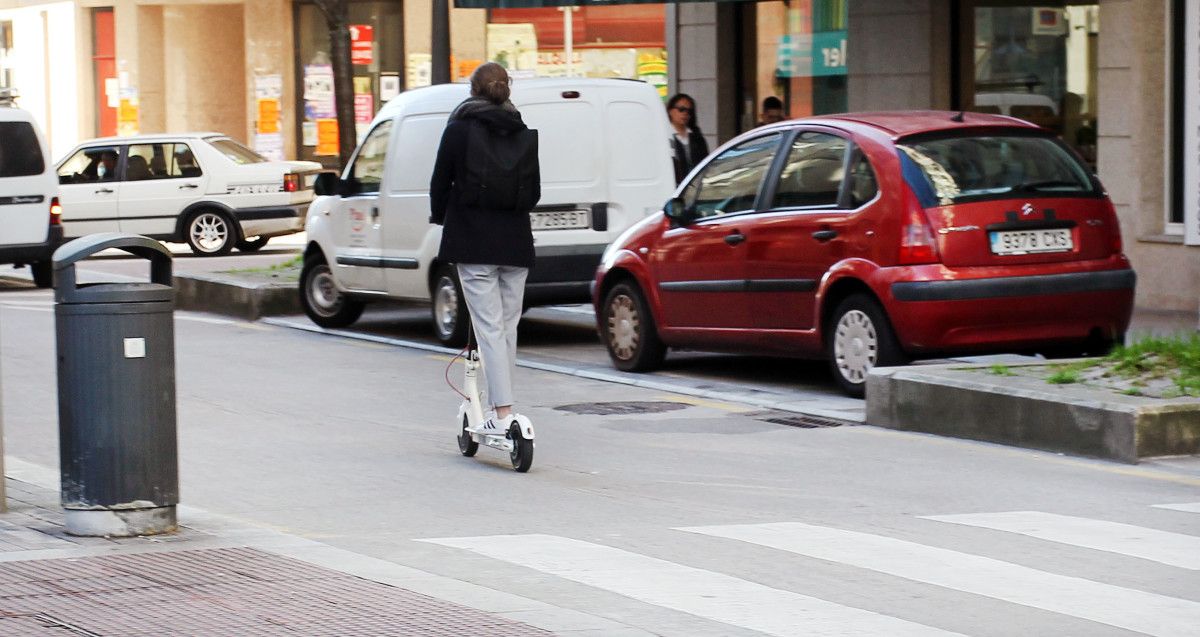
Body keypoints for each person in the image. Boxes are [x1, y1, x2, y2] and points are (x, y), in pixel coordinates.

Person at [429, 62, 539, 435]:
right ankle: (504, 408)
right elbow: (534, 192)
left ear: (473, 90)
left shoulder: (459, 128)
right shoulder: (520, 128)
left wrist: (441, 217)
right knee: (507, 328)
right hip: (516, 243)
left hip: (474, 241)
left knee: (489, 328)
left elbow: (439, 182)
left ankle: (503, 413)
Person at [666, 93, 709, 184]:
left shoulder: (697, 137)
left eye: (689, 111)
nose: (685, 113)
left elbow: (705, 163)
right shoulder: (665, 136)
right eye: (681, 109)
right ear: (670, 111)